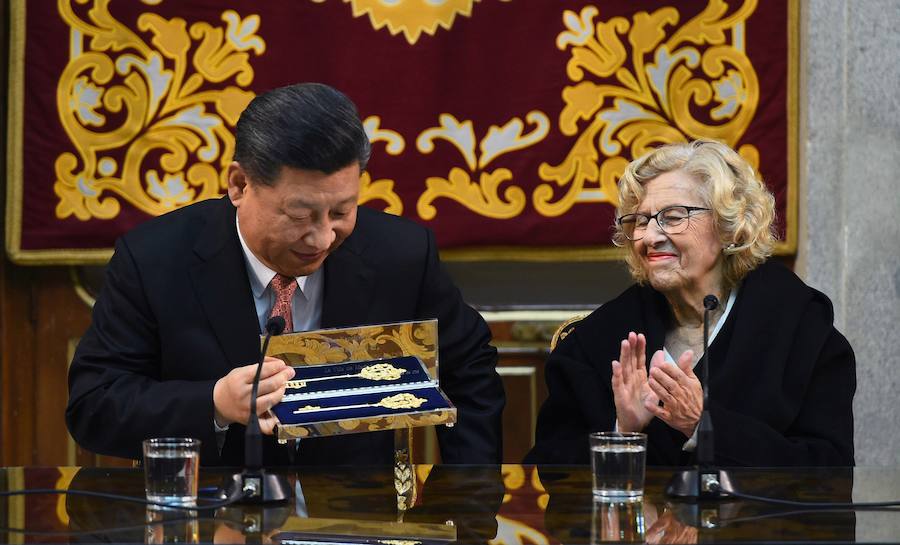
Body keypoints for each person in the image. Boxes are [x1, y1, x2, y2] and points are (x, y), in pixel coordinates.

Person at [66, 83, 505, 466]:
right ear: (239, 185)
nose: (321, 238)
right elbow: (94, 405)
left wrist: (466, 498)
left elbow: (469, 369)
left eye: (341, 211)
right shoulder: (155, 259)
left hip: (357, 522)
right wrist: (215, 404)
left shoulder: (401, 255)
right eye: (300, 214)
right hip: (212, 516)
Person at [525, 139, 855, 466]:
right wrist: (622, 433)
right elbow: (548, 471)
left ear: (730, 226)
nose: (649, 237)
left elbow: (828, 472)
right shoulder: (595, 342)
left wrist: (702, 425)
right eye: (641, 221)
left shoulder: (801, 331)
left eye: (672, 217)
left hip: (756, 521)